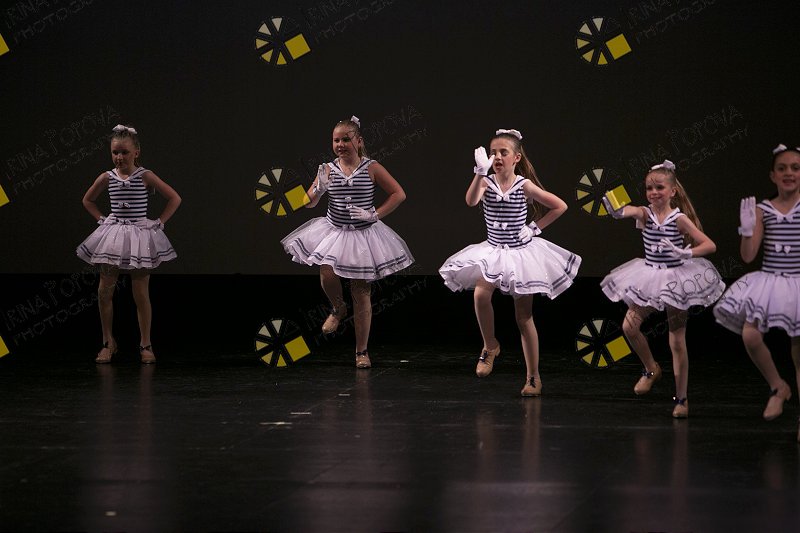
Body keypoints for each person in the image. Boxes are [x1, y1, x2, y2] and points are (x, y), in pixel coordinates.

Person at [439, 128, 581, 396]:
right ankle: (490, 346)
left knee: (523, 317)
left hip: (520, 255)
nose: (497, 157)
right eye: (493, 152)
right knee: (480, 295)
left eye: (503, 152)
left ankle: (533, 377)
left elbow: (560, 205)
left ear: (516, 158)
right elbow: (471, 201)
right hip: (493, 252)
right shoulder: (486, 182)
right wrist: (479, 172)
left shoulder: (523, 185)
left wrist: (534, 228)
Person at [281, 116, 413, 369]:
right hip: (335, 231)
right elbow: (308, 203)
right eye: (336, 140)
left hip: (363, 236)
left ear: (359, 141)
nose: (340, 144)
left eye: (345, 139)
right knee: (326, 271)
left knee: (361, 292)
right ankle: (338, 308)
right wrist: (318, 189)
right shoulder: (327, 169)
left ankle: (361, 351)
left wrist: (374, 214)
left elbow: (399, 194)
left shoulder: (372, 168)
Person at [600, 160, 724, 418]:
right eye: (649, 188)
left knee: (676, 340)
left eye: (659, 187)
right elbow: (628, 211)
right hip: (649, 277)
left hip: (677, 281)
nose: (654, 192)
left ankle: (682, 398)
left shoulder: (679, 219)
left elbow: (709, 245)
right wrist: (616, 208)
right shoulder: (645, 214)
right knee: (629, 327)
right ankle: (651, 369)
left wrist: (686, 253)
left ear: (672, 191)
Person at [713, 144, 800, 437]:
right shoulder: (763, 210)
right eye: (782, 168)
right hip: (771, 281)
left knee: (799, 352)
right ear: (773, 175)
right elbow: (748, 256)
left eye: (795, 168)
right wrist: (747, 229)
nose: (789, 173)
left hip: (798, 282)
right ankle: (778, 386)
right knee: (750, 335)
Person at [77, 124, 181, 364]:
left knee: (140, 293)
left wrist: (159, 222)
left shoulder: (145, 176)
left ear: (136, 152)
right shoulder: (107, 177)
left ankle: (145, 343)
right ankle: (108, 342)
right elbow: (88, 200)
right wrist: (102, 219)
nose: (119, 157)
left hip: (139, 237)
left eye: (124, 152)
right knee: (104, 291)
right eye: (115, 152)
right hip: (113, 236)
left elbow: (174, 198)